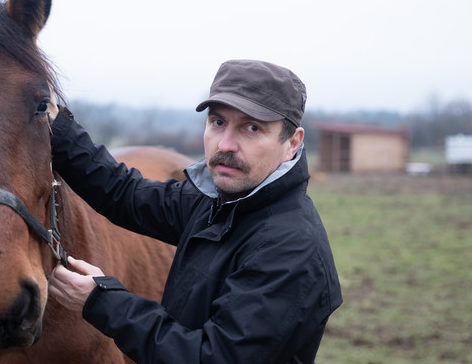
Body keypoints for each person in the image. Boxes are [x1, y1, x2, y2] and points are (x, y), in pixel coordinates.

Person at [47, 59, 342, 363]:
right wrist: (60, 130)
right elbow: (127, 194)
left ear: (292, 143)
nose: (225, 144)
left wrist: (101, 301)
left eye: (251, 128)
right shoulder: (221, 202)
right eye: (218, 122)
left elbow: (212, 357)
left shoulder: (289, 248)